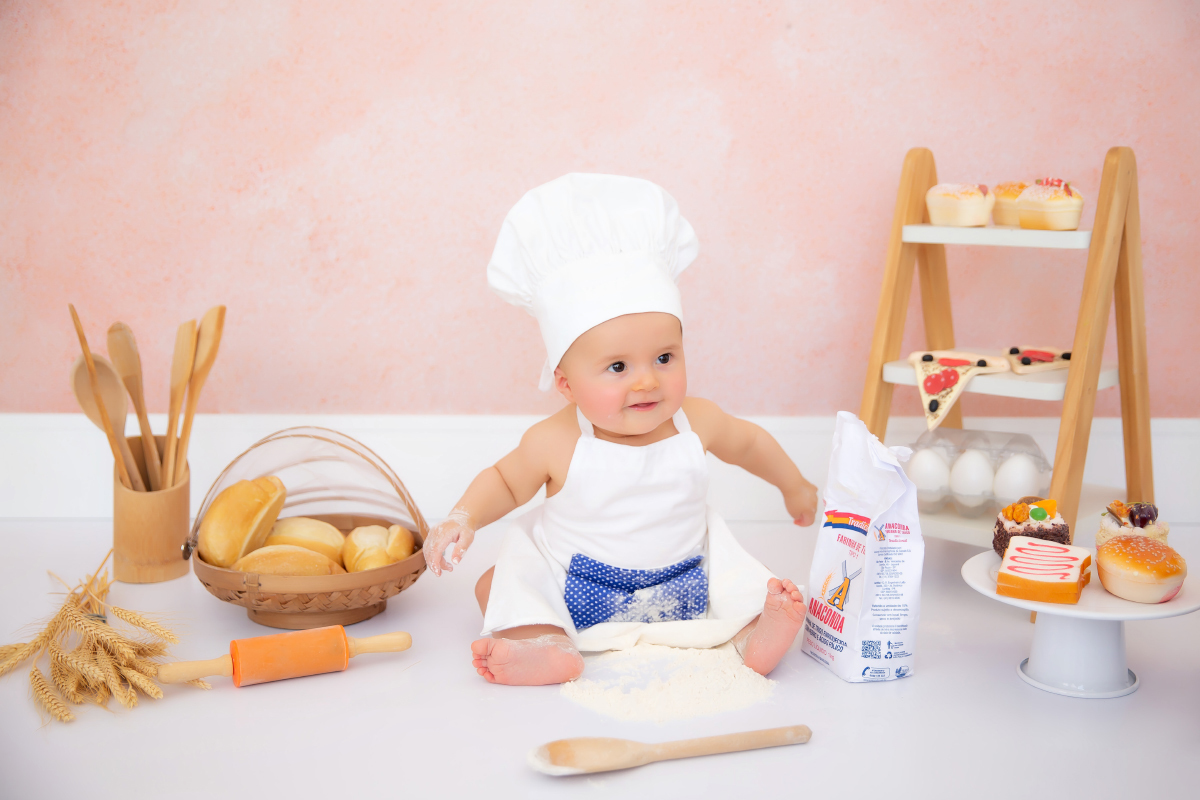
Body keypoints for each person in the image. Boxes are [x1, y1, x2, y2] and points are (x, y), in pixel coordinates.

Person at [423, 174, 818, 686]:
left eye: (664, 358)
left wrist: (793, 485)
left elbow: (749, 443)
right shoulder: (556, 439)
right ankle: (547, 644)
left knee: (739, 576)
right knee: (495, 581)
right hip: (581, 588)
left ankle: (751, 637)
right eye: (617, 367)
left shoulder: (695, 420)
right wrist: (465, 516)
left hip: (684, 585)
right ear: (566, 384)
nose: (647, 380)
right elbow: (504, 480)